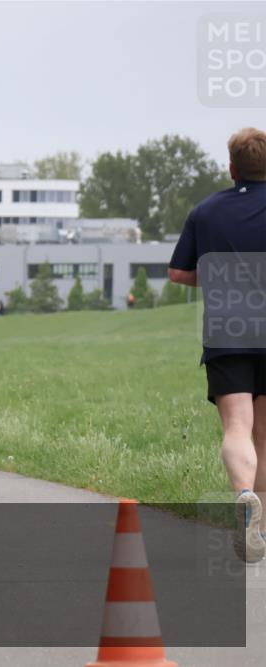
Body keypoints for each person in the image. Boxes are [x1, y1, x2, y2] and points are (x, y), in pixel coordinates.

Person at [168, 127, 266, 563]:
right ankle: (260, 529)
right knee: (265, 432)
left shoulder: (205, 212)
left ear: (231, 168)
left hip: (228, 329)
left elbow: (179, 273)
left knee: (237, 427)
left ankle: (244, 495)